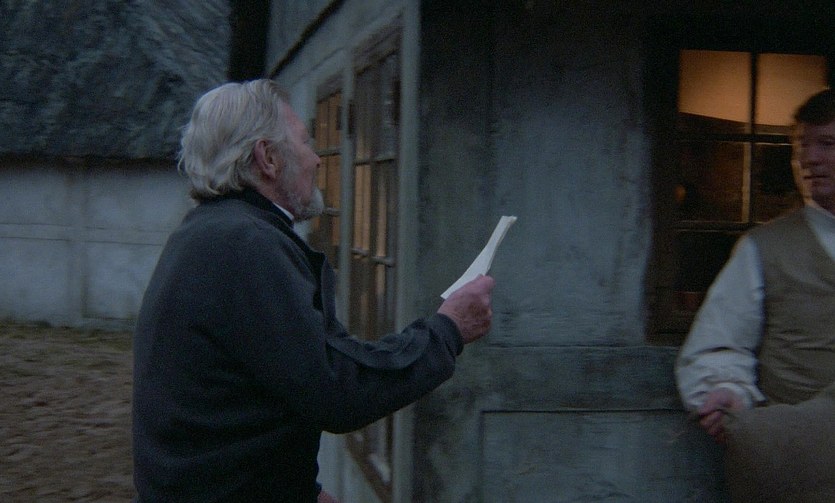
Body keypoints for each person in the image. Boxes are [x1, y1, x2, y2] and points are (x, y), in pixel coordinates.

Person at [132, 79, 495, 503]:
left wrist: (303, 491)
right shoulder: (245, 245)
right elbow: (336, 389)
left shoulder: (210, 233)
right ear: (268, 158)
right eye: (306, 142)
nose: (317, 159)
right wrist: (448, 331)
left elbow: (251, 396)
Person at [675, 89, 835, 496]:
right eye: (802, 146)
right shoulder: (763, 249)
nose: (810, 159)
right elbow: (720, 343)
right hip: (801, 462)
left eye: (827, 144)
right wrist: (727, 391)